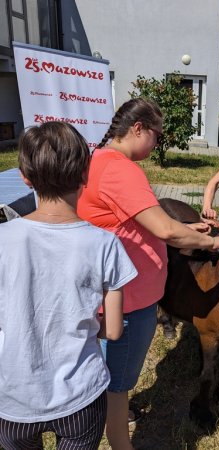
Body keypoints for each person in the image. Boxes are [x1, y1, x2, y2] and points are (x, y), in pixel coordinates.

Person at [77, 98, 219, 450]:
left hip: (115, 295)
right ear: (138, 129)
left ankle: (109, 421)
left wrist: (189, 227)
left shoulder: (97, 160)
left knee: (111, 377)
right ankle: (120, 442)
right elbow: (166, 231)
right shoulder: (120, 168)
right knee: (117, 385)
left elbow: (136, 221)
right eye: (157, 137)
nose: (157, 145)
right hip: (128, 303)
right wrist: (210, 242)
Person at [0, 122, 137, 450]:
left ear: (24, 177)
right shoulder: (106, 244)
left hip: (13, 398)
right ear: (85, 176)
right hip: (81, 396)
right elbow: (114, 331)